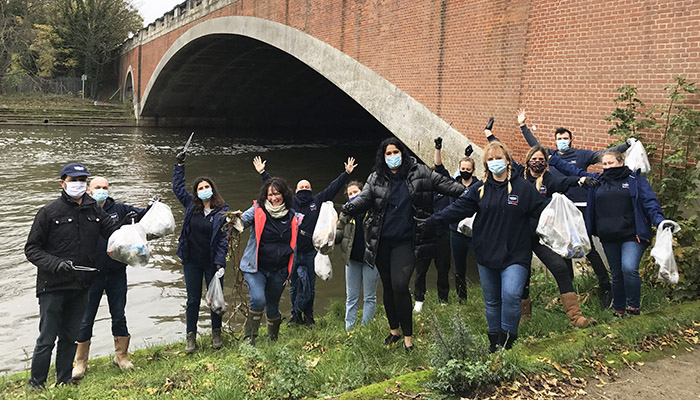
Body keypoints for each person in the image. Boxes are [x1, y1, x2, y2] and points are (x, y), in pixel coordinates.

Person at [342, 138, 464, 352]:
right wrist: (348, 208)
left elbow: (445, 184)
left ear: (403, 153)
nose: (392, 157)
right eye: (387, 154)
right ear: (383, 157)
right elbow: (365, 198)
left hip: (407, 241)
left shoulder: (420, 172)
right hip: (381, 241)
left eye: (395, 152)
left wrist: (468, 192)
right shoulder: (376, 177)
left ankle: (408, 337)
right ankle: (394, 331)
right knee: (388, 287)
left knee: (400, 285)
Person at [424, 141, 548, 352]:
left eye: (498, 158)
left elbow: (543, 211)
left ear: (507, 161)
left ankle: (508, 343)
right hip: (486, 252)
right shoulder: (479, 189)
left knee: (510, 295)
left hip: (515, 253)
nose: (495, 163)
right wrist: (431, 221)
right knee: (491, 301)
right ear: (485, 164)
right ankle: (494, 344)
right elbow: (457, 209)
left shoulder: (523, 188)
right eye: (490, 160)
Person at [517, 108, 635, 309]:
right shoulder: (550, 156)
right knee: (564, 249)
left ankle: (605, 286)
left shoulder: (582, 154)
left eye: (565, 138)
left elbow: (604, 155)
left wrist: (626, 145)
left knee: (586, 247)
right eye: (559, 138)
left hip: (580, 209)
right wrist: (523, 126)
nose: (562, 140)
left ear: (571, 140)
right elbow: (534, 147)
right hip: (560, 212)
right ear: (554, 141)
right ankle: (569, 292)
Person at [25, 163, 119, 388]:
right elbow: (32, 249)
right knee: (47, 338)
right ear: (62, 183)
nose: (78, 184)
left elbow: (115, 234)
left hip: (81, 285)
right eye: (73, 180)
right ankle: (36, 384)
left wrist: (140, 234)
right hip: (53, 285)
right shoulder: (48, 212)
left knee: (69, 337)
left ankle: (64, 380)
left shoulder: (95, 210)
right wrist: (56, 264)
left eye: (82, 180)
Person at [549, 150, 676, 316]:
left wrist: (660, 222)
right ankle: (618, 309)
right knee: (616, 274)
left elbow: (650, 203)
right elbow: (574, 171)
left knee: (629, 268)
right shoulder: (598, 181)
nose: (607, 167)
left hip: (633, 234)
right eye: (605, 164)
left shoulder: (635, 180)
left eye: (611, 163)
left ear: (620, 162)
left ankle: (633, 307)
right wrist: (554, 159)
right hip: (608, 235)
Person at [491, 134, 597, 328]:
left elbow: (563, 182)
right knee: (522, 277)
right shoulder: (518, 176)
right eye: (534, 159)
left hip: (541, 237)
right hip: (518, 237)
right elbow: (502, 158)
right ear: (528, 160)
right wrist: (491, 137)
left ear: (545, 162)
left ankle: (576, 317)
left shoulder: (548, 179)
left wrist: (580, 180)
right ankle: (524, 319)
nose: (537, 162)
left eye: (541, 160)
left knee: (560, 268)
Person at [253, 156, 357, 327]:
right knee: (293, 286)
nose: (304, 189)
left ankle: (308, 316)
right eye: (301, 187)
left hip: (311, 253)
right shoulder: (290, 203)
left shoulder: (316, 201)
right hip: (292, 252)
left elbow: (333, 188)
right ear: (295, 190)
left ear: (311, 189)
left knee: (311, 286)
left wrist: (346, 173)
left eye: (307, 187)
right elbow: (275, 190)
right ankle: (295, 316)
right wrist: (263, 173)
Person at [71, 177, 152, 379]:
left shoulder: (121, 210)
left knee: (119, 314)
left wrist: (152, 206)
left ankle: (121, 357)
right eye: (98, 187)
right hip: (90, 275)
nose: (102, 190)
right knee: (85, 318)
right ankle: (80, 362)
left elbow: (145, 218)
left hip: (116, 273)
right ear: (89, 190)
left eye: (105, 187)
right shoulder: (80, 211)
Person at [173, 150, 229, 354]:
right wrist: (179, 166)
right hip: (191, 261)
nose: (204, 189)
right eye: (200, 188)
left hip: (212, 263)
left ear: (213, 189)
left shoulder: (223, 210)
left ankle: (216, 333)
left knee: (215, 299)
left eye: (207, 187)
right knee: (193, 300)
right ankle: (191, 337)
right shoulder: (190, 206)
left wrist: (220, 263)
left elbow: (223, 239)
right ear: (196, 192)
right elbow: (177, 188)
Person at [236, 177, 302, 345]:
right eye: (270, 194)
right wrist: (235, 219)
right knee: (258, 299)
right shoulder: (257, 210)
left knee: (272, 305)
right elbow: (242, 222)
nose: (273, 198)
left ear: (284, 195)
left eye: (277, 194)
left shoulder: (293, 216)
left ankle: (272, 341)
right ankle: (249, 340)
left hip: (279, 270)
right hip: (255, 267)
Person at [432, 138, 480, 301]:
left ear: (473, 170)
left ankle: (487, 293)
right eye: (463, 168)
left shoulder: (479, 186)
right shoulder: (453, 184)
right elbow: (439, 168)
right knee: (459, 267)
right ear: (459, 169)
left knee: (482, 263)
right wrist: (438, 148)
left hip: (475, 233)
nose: (465, 170)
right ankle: (462, 299)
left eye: (468, 168)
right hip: (456, 233)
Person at [412, 137, 453, 311]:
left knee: (443, 268)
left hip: (443, 234)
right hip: (424, 236)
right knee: (420, 269)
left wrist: (438, 148)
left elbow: (439, 166)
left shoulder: (446, 188)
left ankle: (443, 298)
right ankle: (419, 300)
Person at [336, 181, 379, 330]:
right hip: (352, 259)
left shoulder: (373, 210)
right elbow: (339, 232)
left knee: (369, 297)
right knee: (351, 297)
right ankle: (349, 329)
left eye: (356, 192)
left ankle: (366, 329)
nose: (354, 196)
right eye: (350, 194)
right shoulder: (346, 212)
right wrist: (329, 238)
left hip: (370, 259)